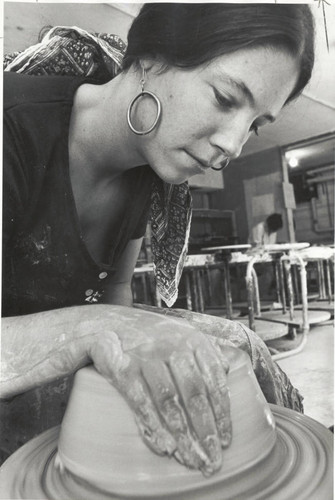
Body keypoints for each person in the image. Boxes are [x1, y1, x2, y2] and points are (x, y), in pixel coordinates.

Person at [1, 3, 315, 473]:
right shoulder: (12, 125)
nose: (232, 145)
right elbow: (106, 319)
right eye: (226, 98)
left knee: (236, 346)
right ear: (150, 58)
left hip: (53, 356)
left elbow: (114, 294)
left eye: (254, 126)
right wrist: (102, 329)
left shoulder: (149, 171)